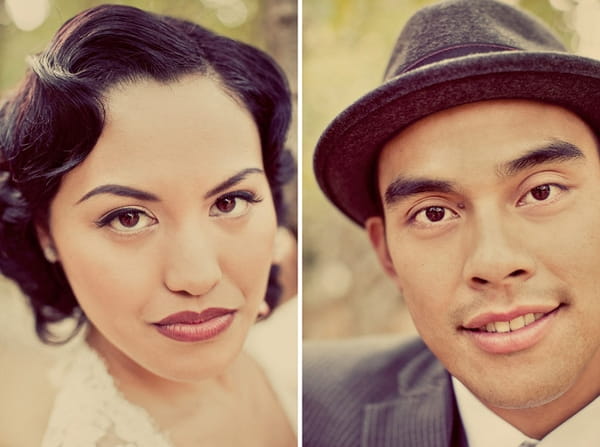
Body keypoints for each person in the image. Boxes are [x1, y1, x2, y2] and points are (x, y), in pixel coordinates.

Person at [305, 0, 600, 445]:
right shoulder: (303, 414)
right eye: (433, 213)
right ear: (386, 253)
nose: (495, 261)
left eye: (541, 192)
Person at [0, 4, 296, 446]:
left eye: (230, 201)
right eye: (128, 218)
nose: (198, 277)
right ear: (45, 233)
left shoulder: (284, 290)